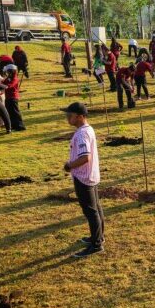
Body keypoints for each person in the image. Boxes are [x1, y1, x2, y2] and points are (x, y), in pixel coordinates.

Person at [61, 102, 104, 257]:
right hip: (91, 175)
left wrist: (69, 165)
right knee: (96, 208)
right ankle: (98, 237)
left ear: (80, 117)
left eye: (70, 115)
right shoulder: (88, 129)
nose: (67, 118)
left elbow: (85, 157)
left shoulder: (81, 134)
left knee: (91, 211)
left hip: (83, 177)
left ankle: (96, 244)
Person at [1, 65, 24, 131]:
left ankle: (20, 126)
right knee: (9, 112)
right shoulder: (9, 78)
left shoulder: (15, 78)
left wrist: (4, 84)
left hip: (13, 97)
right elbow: (3, 82)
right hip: (8, 97)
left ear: (12, 71)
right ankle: (13, 125)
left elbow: (10, 85)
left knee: (15, 112)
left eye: (8, 71)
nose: (7, 73)